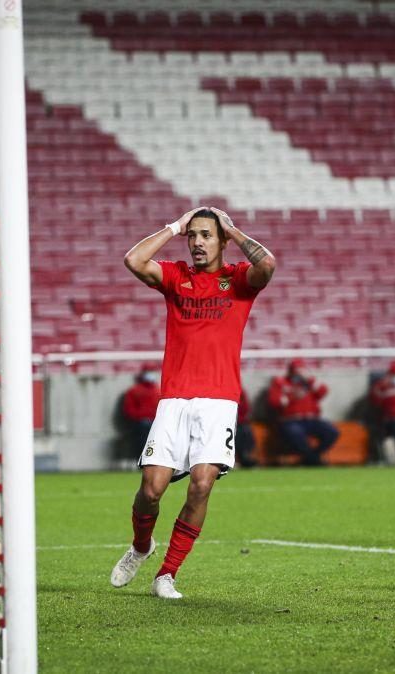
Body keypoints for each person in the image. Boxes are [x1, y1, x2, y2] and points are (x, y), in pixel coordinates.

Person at [110, 206, 275, 599]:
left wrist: (232, 230)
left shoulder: (237, 281)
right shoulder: (176, 276)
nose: (197, 242)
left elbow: (267, 264)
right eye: (193, 236)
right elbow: (133, 260)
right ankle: (140, 546)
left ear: (221, 241)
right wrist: (174, 226)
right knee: (151, 490)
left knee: (202, 484)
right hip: (175, 400)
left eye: (206, 235)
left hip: (219, 401)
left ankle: (166, 574)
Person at [268, 359, 339, 466]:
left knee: (332, 431)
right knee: (295, 433)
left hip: (311, 419)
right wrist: (292, 397)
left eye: (301, 370)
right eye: (296, 370)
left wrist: (310, 380)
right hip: (291, 420)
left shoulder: (309, 383)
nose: (298, 373)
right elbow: (274, 402)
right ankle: (313, 459)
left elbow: (323, 392)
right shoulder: (280, 382)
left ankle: (312, 457)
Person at [121, 365, 161, 461]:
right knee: (143, 435)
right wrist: (142, 417)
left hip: (156, 421)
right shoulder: (134, 391)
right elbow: (129, 409)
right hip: (141, 422)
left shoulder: (158, 390)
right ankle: (143, 459)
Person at [236, 388, 257, 468]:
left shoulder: (240, 391)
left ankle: (245, 457)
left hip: (239, 422)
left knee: (246, 432)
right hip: (225, 422)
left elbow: (245, 408)